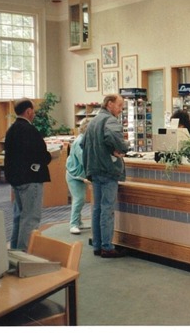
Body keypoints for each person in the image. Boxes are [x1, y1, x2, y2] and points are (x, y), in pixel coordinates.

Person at [81, 94, 129, 258]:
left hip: (94, 169)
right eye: (119, 105)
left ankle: (97, 245)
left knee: (97, 209)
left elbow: (82, 143)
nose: (121, 109)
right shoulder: (110, 121)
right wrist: (123, 148)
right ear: (110, 104)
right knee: (107, 209)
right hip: (108, 170)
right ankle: (107, 247)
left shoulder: (93, 121)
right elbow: (114, 138)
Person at [4, 98, 52, 250]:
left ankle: (15, 251)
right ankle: (25, 255)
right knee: (31, 218)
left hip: (16, 179)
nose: (35, 113)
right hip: (31, 179)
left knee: (20, 217)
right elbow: (40, 154)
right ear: (29, 111)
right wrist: (49, 157)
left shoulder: (12, 129)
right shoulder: (29, 130)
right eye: (34, 111)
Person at [66, 118, 91, 235]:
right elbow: (84, 160)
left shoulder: (85, 140)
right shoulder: (79, 142)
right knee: (79, 199)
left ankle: (79, 222)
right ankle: (73, 224)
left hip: (79, 175)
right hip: (74, 175)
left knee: (81, 198)